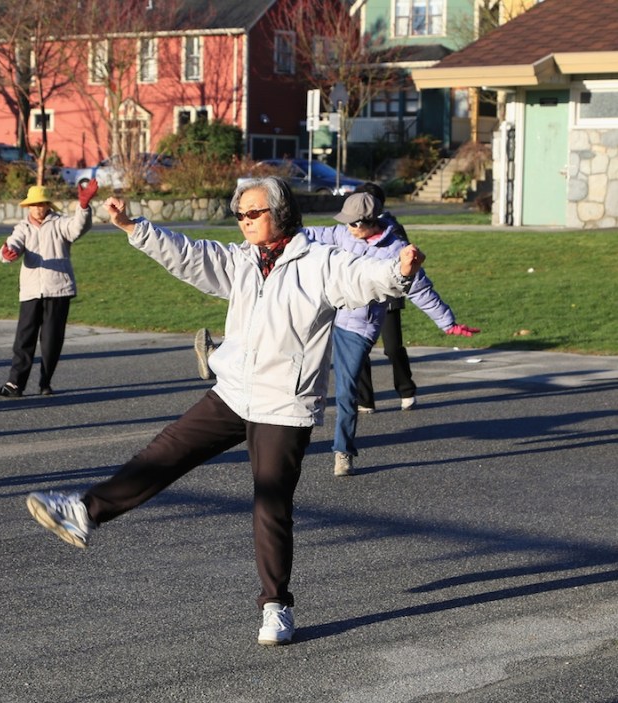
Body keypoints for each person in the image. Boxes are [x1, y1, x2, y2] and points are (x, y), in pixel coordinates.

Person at [25, 177, 426, 646]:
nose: (244, 221)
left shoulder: (320, 261)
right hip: (235, 390)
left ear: (280, 213)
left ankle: (276, 607)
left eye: (253, 213)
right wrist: (135, 227)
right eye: (239, 214)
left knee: (270, 505)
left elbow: (363, 278)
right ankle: (84, 511)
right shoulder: (241, 260)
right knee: (167, 450)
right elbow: (191, 255)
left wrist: (398, 271)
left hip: (284, 402)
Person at [304, 192, 479, 478]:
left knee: (348, 390)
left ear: (368, 223)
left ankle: (342, 452)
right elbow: (305, 234)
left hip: (357, 326)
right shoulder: (340, 235)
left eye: (352, 224)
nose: (346, 228)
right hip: (324, 314)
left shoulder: (397, 250)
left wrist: (448, 323)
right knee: (286, 358)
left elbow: (420, 289)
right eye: (345, 223)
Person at [0, 180, 99, 398]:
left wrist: (84, 206)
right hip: (31, 291)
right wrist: (6, 253)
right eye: (34, 204)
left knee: (51, 340)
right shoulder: (22, 228)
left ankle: (45, 382)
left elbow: (78, 227)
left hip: (58, 290)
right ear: (28, 207)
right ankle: (14, 385)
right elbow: (13, 244)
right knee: (24, 338)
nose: (38, 208)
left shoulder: (60, 224)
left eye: (42, 204)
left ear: (48, 205)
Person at [352, 183, 416, 412]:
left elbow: (407, 263)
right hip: (361, 296)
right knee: (359, 349)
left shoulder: (393, 229)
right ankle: (364, 399)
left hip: (387, 298)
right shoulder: (352, 229)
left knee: (392, 347)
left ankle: (406, 389)